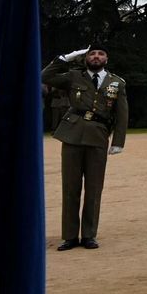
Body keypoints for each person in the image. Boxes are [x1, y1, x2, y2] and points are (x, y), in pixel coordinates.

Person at [42, 41, 128, 250]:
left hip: (98, 136)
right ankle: (70, 236)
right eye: (92, 54)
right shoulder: (73, 76)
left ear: (106, 59)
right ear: (86, 58)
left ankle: (89, 234)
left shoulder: (117, 82)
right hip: (72, 136)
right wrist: (65, 58)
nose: (96, 57)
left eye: (100, 54)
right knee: (70, 188)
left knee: (94, 188)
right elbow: (44, 77)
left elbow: (122, 113)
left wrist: (118, 141)